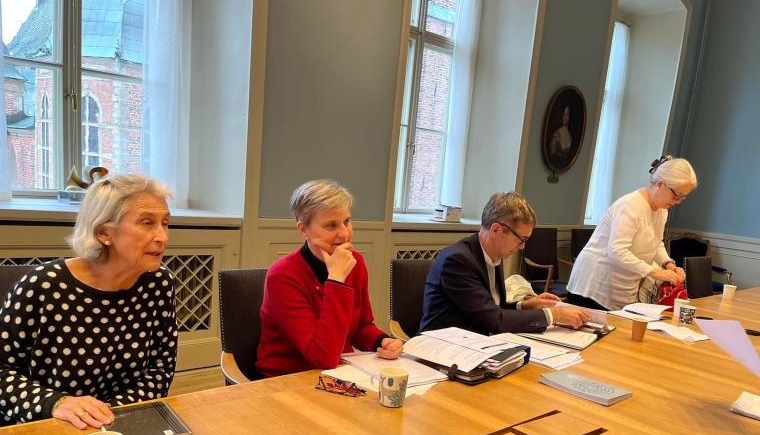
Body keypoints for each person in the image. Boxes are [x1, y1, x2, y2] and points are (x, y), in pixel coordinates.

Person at [0, 174, 178, 428]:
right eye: (147, 223)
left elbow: (161, 368)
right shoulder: (43, 286)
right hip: (48, 425)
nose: (163, 237)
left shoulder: (159, 283)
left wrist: (108, 417)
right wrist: (57, 404)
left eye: (165, 223)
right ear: (104, 232)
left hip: (121, 423)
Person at [256, 180, 403, 377]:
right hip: (287, 379)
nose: (344, 234)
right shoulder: (282, 275)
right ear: (304, 229)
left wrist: (381, 341)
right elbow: (321, 356)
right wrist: (336, 280)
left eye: (346, 222)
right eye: (331, 225)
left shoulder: (354, 262)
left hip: (338, 372)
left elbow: (361, 327)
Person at [419, 192, 590, 335]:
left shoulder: (494, 255)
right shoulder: (458, 260)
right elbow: (495, 320)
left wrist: (526, 305)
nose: (522, 246)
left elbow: (492, 308)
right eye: (521, 239)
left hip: (476, 341)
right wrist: (553, 315)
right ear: (496, 230)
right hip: (443, 347)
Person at [566, 156, 697, 311]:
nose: (678, 201)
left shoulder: (662, 210)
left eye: (682, 197)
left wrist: (668, 264)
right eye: (676, 195)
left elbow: (656, 243)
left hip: (624, 283)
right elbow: (617, 251)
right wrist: (656, 272)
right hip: (595, 283)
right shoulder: (630, 206)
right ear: (660, 184)